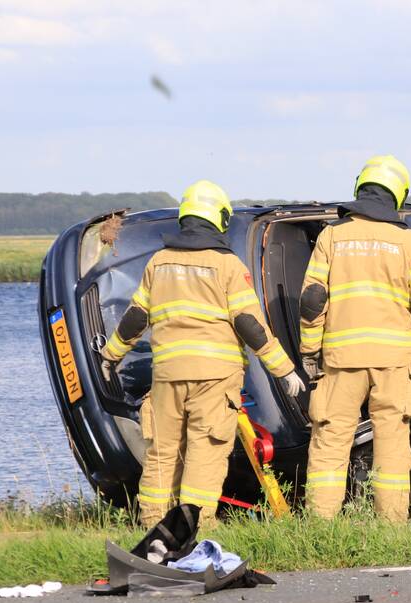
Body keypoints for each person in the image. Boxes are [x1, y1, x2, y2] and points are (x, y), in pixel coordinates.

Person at [101, 180, 305, 527]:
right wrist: (283, 369)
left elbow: (136, 317)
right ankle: (193, 527)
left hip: (168, 375)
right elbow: (249, 324)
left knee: (163, 453)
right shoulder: (226, 265)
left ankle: (153, 525)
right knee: (204, 452)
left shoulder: (160, 262)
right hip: (214, 378)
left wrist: (111, 356)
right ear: (220, 218)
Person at [298, 155, 411, 522]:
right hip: (394, 363)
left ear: (360, 187)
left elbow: (313, 299)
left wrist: (310, 350)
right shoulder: (407, 241)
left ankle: (320, 526)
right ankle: (391, 528)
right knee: (392, 447)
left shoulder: (332, 236)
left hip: (341, 360)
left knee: (330, 443)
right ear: (399, 195)